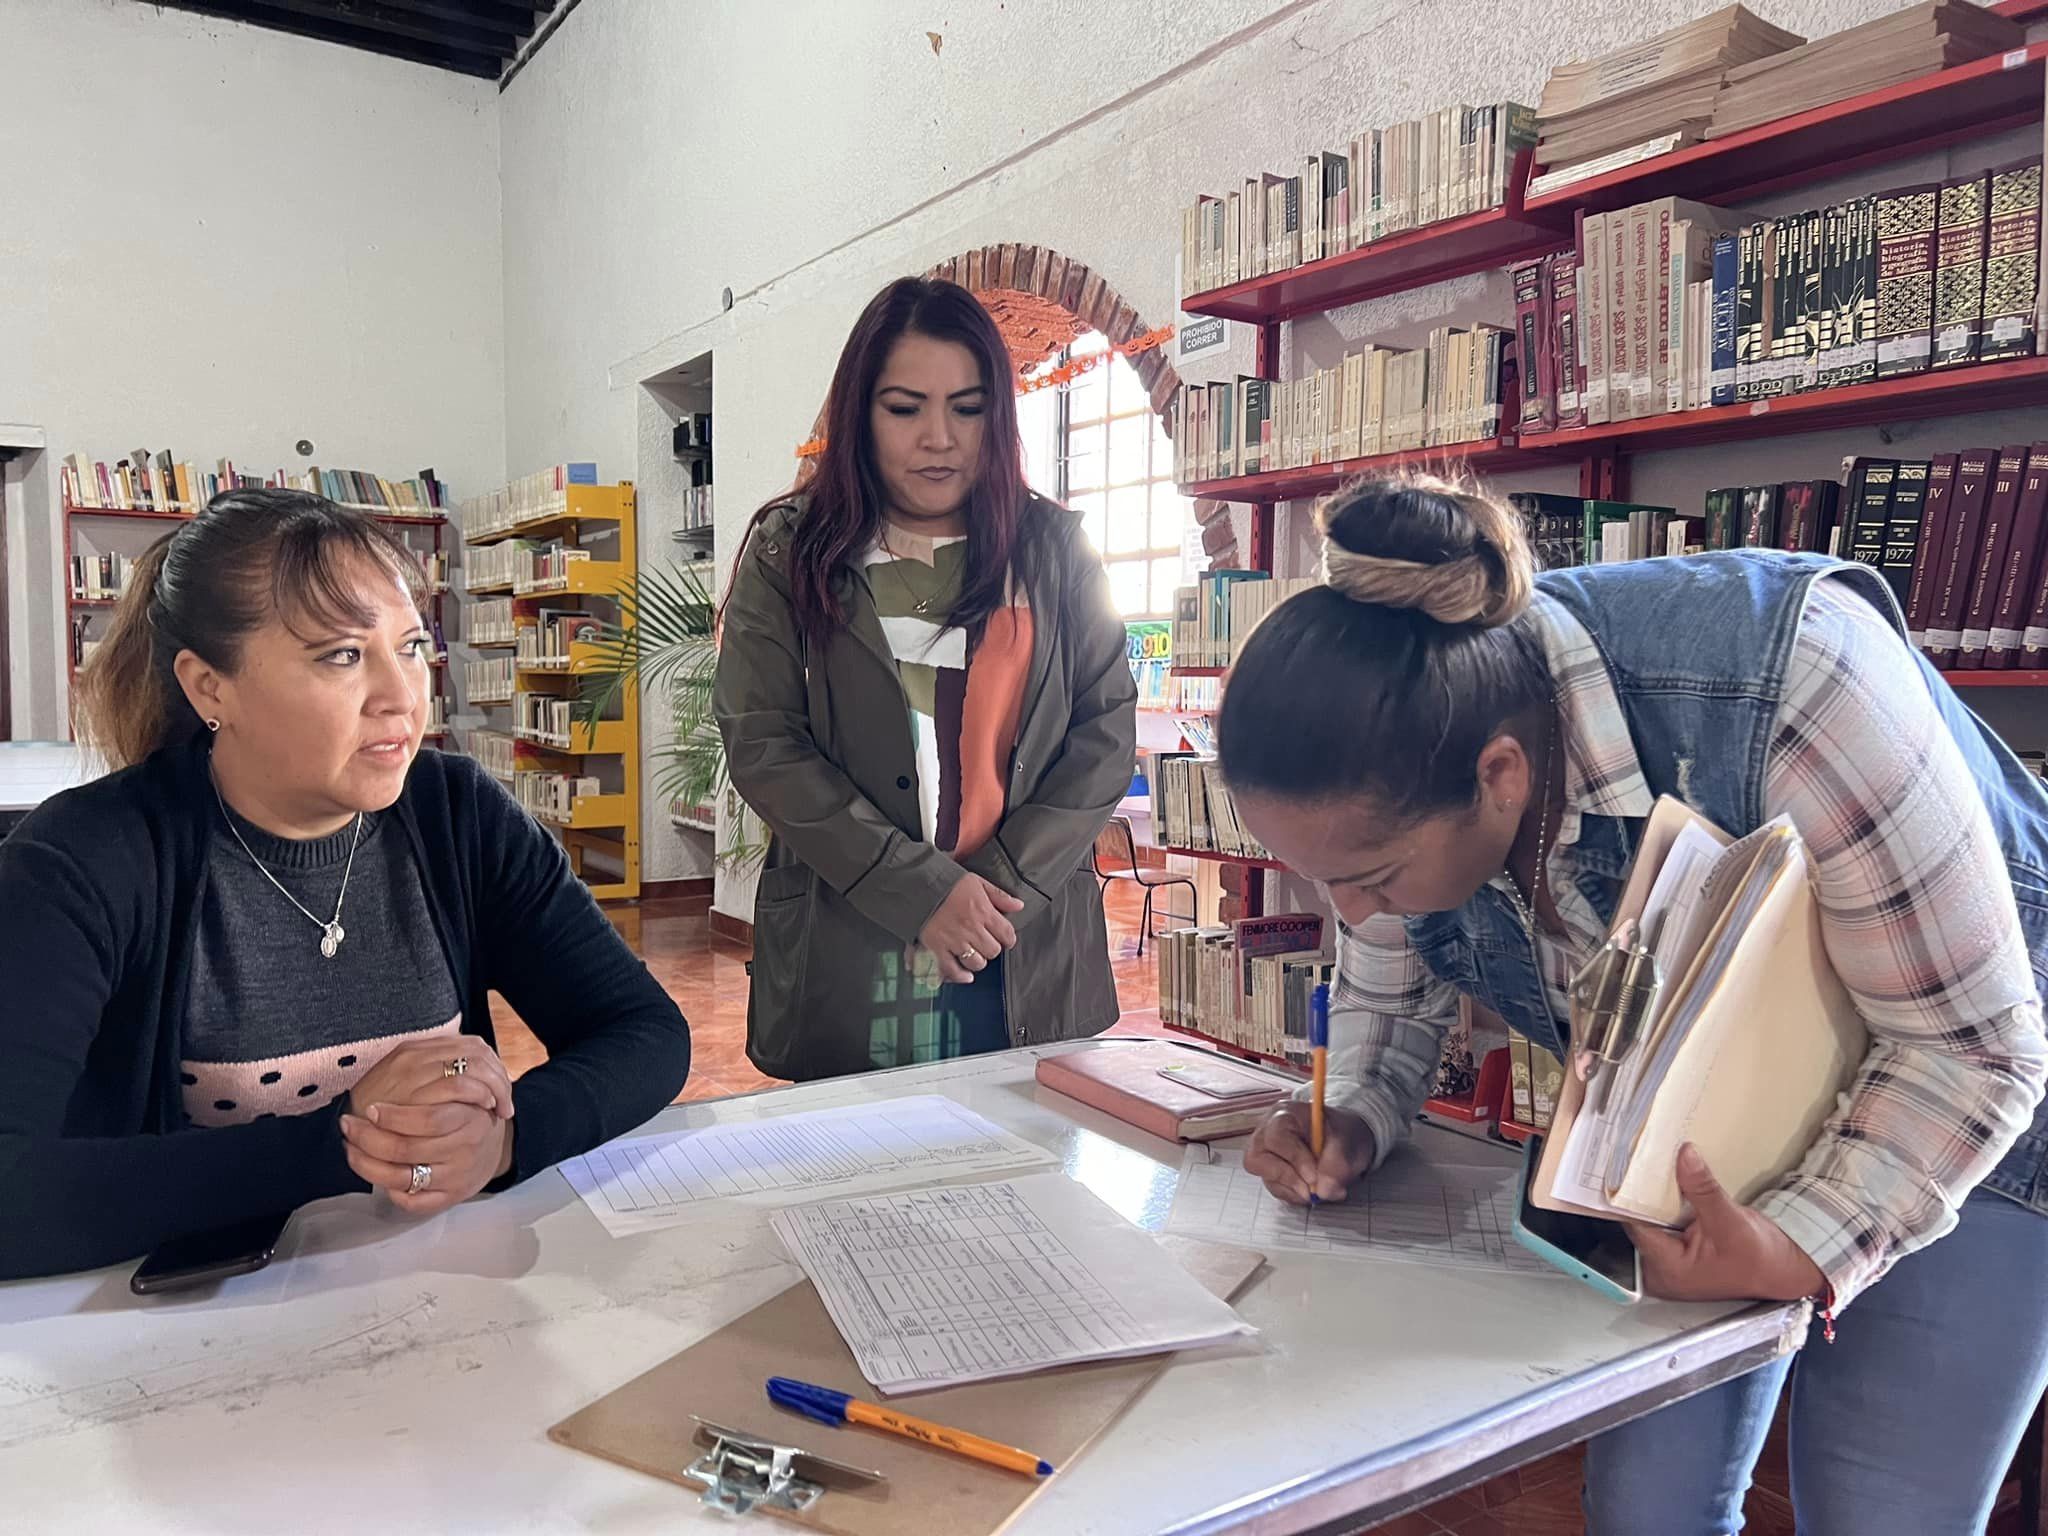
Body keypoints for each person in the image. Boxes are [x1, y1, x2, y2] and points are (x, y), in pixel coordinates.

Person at [1224, 472, 2048, 1534]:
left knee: (1882, 1510)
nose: (1350, 912)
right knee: (1645, 1507)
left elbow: (1978, 1051)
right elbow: (1386, 997)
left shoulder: (1794, 681)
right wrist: (1353, 1113)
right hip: (1720, 1118)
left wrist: (1805, 1239)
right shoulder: (1408, 741)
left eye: (1371, 876)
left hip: (1983, 1098)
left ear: (1502, 775)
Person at [0, 489, 691, 1281]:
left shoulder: (459, 816)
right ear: (209, 687)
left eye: (409, 647)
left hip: (437, 1296)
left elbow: (645, 1032)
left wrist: (507, 1137)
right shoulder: (86, 860)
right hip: (176, 1339)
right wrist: (343, 1142)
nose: (402, 697)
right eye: (341, 655)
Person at [715, 276, 1137, 1080]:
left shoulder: (1054, 551)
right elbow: (764, 742)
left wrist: (987, 896)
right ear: (859, 413)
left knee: (1027, 1182)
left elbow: (1106, 733)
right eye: (905, 408)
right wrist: (919, 892)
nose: (938, 437)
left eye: (967, 407)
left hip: (1025, 942)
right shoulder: (790, 549)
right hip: (851, 943)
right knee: (854, 1184)